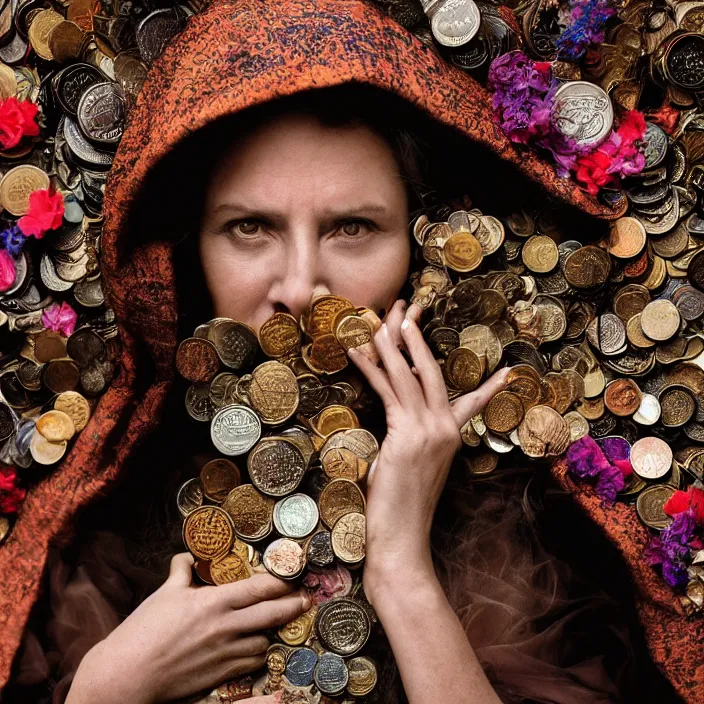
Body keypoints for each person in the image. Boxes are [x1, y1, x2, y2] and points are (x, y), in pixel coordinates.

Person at [0, 2, 699, 703]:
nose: (302, 289)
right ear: (185, 256)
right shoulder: (102, 535)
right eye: (249, 227)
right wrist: (107, 690)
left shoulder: (529, 534)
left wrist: (402, 572)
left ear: (428, 249)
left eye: (354, 228)